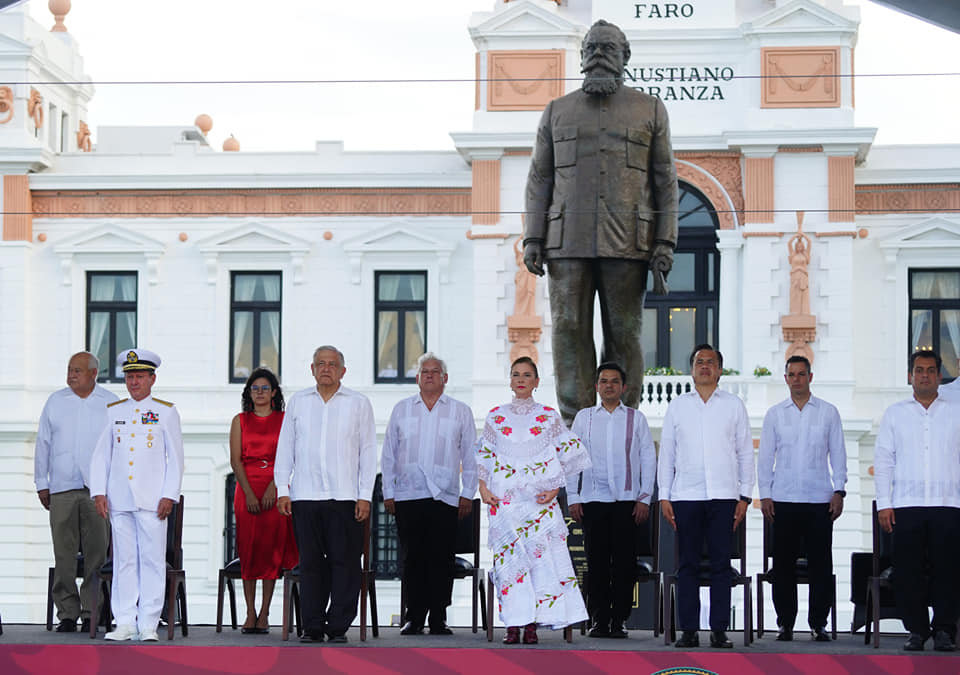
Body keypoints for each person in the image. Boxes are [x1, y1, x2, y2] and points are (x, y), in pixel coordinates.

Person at [523, 19, 678, 424]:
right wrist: (533, 238)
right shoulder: (557, 110)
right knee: (569, 329)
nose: (597, 55)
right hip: (566, 242)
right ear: (581, 57)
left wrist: (665, 242)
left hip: (628, 242)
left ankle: (624, 418)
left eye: (607, 48)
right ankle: (576, 420)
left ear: (625, 58)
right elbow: (541, 176)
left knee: (624, 333)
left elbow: (664, 179)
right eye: (591, 47)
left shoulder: (650, 108)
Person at [477, 356, 591, 644]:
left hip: (538, 504)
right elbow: (484, 456)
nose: (520, 379)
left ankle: (533, 626)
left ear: (536, 381)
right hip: (505, 503)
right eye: (516, 374)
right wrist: (483, 487)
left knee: (540, 563)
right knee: (511, 564)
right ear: (510, 380)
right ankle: (513, 625)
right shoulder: (496, 416)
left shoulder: (549, 416)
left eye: (527, 374)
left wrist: (555, 489)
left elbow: (571, 454)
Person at [274, 346, 376, 644]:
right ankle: (313, 625)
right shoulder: (298, 402)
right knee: (311, 564)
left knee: (345, 564)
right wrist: (283, 489)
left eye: (332, 364)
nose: (326, 369)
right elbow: (286, 447)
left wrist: (365, 495)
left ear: (343, 370)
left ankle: (338, 625)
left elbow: (368, 452)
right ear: (312, 369)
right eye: (321, 364)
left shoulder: (358, 403)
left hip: (345, 497)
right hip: (305, 495)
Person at [657, 344, 754, 649]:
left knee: (720, 565)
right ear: (691, 369)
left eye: (711, 362)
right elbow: (668, 453)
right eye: (699, 362)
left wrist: (744, 497)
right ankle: (688, 630)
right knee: (687, 564)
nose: (705, 366)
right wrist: (664, 495)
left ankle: (720, 630)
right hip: (686, 494)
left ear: (720, 370)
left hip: (724, 496)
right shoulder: (678, 405)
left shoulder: (734, 405)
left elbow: (744, 453)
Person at [89, 349, 184, 642]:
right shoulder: (114, 411)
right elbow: (101, 455)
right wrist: (99, 492)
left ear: (152, 379)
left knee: (152, 561)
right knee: (125, 562)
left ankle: (148, 624)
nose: (134, 382)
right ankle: (125, 621)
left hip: (153, 500)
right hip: (120, 499)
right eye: (130, 377)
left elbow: (176, 459)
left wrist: (169, 495)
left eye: (140, 376)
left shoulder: (166, 411)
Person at [381, 352, 478, 636]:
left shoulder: (460, 411)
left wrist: (468, 493)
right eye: (425, 371)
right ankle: (414, 616)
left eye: (435, 371)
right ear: (417, 378)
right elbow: (388, 454)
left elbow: (471, 455)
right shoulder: (402, 409)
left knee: (440, 557)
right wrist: (389, 492)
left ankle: (438, 617)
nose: (430, 375)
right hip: (408, 494)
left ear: (445, 378)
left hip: (446, 495)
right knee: (413, 558)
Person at [874, 349, 960, 652]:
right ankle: (916, 630)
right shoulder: (895, 413)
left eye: (931, 370)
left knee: (947, 570)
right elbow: (884, 459)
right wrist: (884, 502)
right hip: (906, 504)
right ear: (910, 376)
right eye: (919, 370)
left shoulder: (955, 412)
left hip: (948, 503)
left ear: (939, 375)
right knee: (908, 571)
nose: (924, 375)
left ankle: (945, 630)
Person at [757, 355, 846, 642]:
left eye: (801, 374)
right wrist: (766, 494)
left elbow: (839, 455)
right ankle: (785, 623)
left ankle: (819, 623)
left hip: (819, 499)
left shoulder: (829, 412)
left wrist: (839, 490)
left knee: (821, 565)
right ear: (785, 379)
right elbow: (765, 458)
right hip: (782, 500)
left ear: (810, 376)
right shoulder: (775, 414)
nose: (796, 379)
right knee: (783, 566)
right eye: (791, 374)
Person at [568, 362, 656, 639]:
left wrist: (644, 497)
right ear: (596, 387)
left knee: (624, 563)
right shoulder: (584, 418)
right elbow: (571, 458)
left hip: (627, 501)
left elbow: (648, 458)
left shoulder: (635, 418)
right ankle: (599, 619)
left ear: (623, 387)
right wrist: (573, 495)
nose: (609, 385)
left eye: (614, 381)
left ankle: (619, 620)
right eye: (604, 381)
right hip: (593, 499)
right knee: (595, 563)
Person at [34, 352, 116, 633]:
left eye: (77, 371)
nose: (71, 375)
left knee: (96, 555)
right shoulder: (55, 402)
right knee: (64, 554)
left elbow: (117, 448)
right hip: (61, 488)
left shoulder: (109, 402)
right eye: (69, 370)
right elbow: (42, 443)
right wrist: (41, 483)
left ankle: (92, 611)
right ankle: (67, 613)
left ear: (93, 373)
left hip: (98, 491)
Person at [229, 368, 298, 634]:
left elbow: (290, 456)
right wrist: (247, 492)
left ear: (274, 393)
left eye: (264, 388)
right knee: (249, 550)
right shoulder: (240, 420)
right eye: (254, 388)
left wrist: (275, 486)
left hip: (276, 488)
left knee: (271, 551)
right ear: (249, 393)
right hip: (246, 488)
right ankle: (250, 612)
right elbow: (236, 460)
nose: (259, 393)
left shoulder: (285, 420)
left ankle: (266, 612)